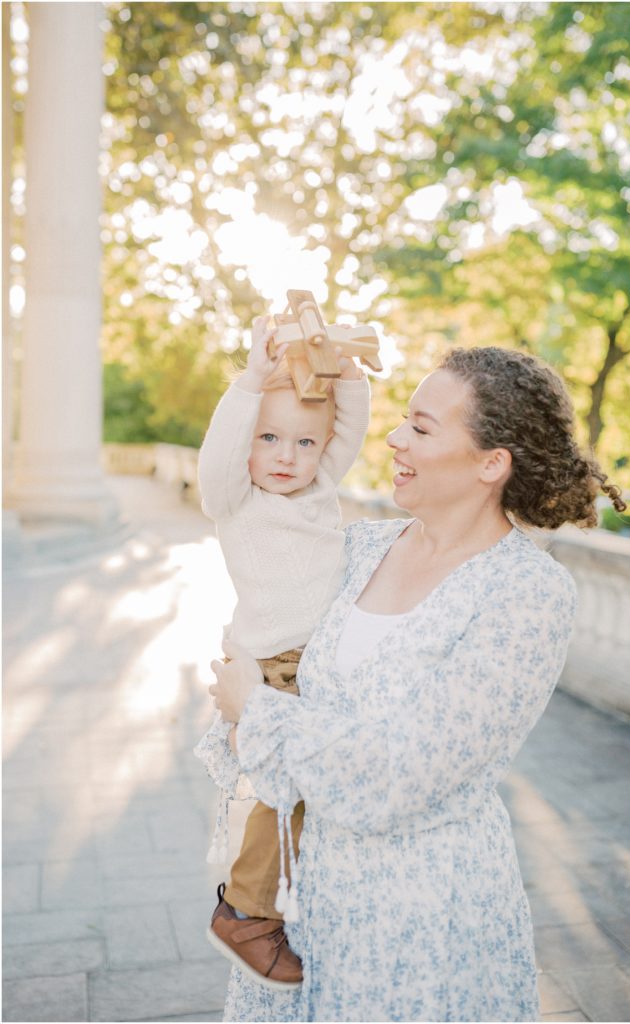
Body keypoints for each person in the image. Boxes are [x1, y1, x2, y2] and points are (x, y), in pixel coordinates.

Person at [206, 345, 626, 1023]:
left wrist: (254, 709)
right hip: (302, 904)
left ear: (493, 463)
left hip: (420, 914)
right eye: (403, 420)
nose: (395, 438)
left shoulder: (527, 594)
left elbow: (403, 774)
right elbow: (279, 659)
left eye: (423, 428)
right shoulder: (361, 547)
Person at [194, 315, 371, 988]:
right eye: (268, 438)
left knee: (306, 795)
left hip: (319, 666)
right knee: (283, 799)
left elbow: (347, 429)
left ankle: (286, 901)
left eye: (303, 442)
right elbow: (218, 454)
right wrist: (248, 381)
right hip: (275, 670)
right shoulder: (235, 497)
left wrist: (346, 377)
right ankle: (247, 912)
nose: (286, 455)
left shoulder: (320, 487)